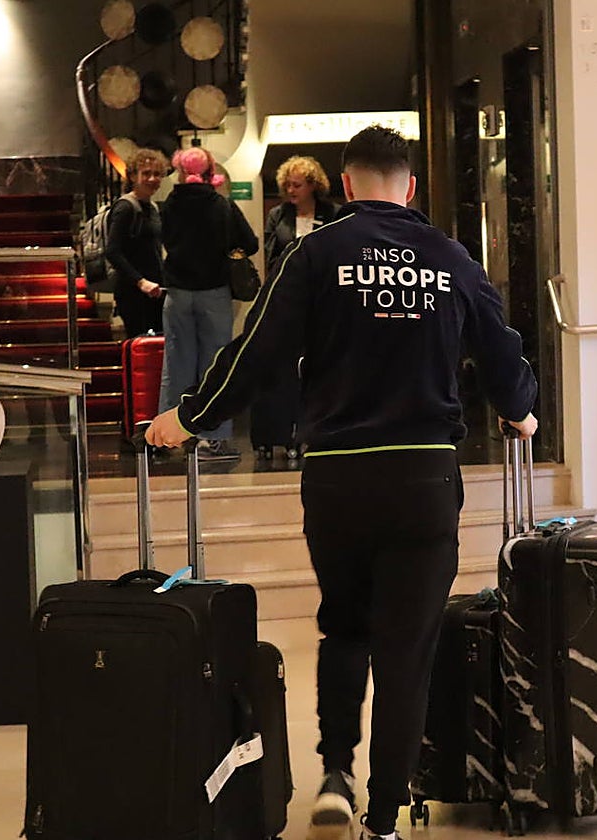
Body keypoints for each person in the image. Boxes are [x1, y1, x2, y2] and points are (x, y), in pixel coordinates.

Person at [147, 125, 537, 840]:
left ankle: (335, 773)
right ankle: (382, 822)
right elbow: (503, 357)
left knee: (344, 626)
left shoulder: (316, 252)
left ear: (348, 184)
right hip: (423, 473)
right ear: (410, 186)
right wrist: (521, 412)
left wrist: (191, 416)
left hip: (338, 478)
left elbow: (257, 351)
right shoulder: (451, 258)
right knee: (407, 651)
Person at [157, 145, 259, 460]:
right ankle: (211, 438)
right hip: (214, 292)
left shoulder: (167, 206)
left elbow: (160, 239)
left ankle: (164, 437)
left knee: (176, 364)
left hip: (176, 293)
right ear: (209, 172)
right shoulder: (222, 206)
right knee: (215, 366)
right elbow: (250, 243)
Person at [252, 155, 340, 464]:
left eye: (297, 185)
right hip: (289, 297)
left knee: (323, 364)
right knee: (285, 368)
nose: (291, 190)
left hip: (326, 298)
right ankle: (283, 432)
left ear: (313, 186)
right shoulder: (278, 215)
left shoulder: (332, 214)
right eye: (287, 185)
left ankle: (319, 429)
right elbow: (271, 255)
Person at [105, 148, 168, 339]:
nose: (152, 179)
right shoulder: (125, 207)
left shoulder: (153, 208)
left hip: (154, 291)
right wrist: (140, 282)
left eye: (157, 174)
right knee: (139, 347)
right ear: (133, 176)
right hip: (133, 292)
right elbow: (113, 251)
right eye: (146, 173)